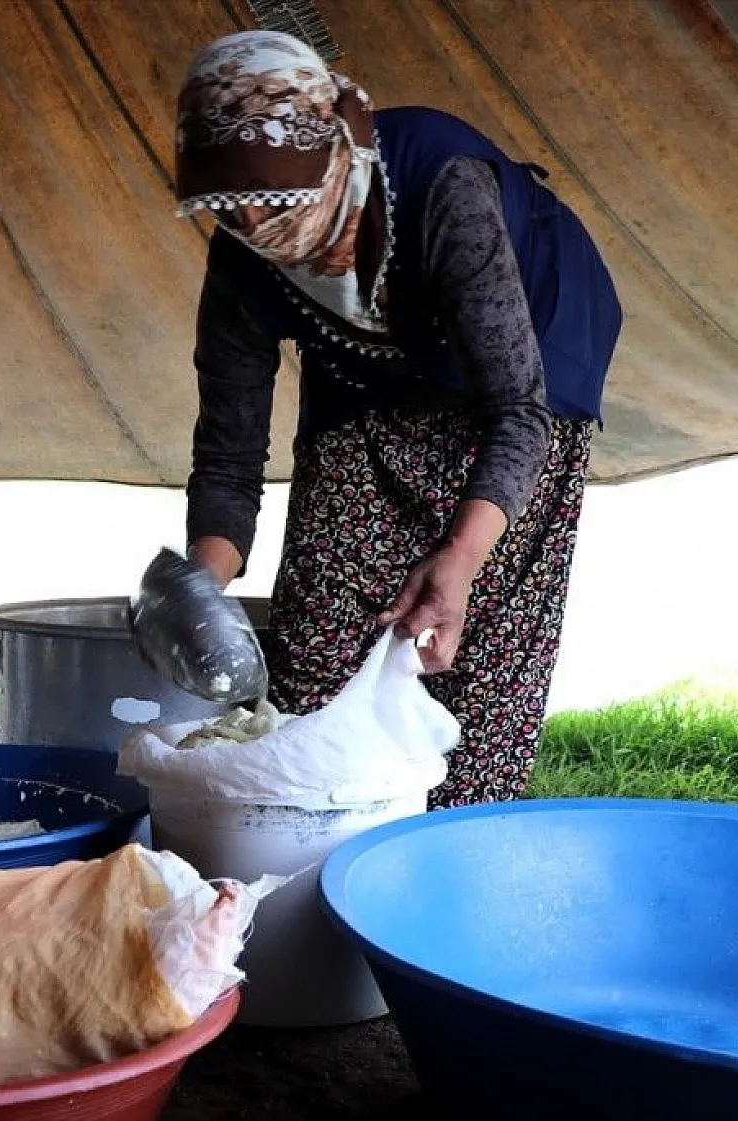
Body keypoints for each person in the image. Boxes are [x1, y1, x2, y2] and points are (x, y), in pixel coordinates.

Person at [174, 30, 623, 809]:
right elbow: (229, 451)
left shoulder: (442, 186)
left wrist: (457, 559)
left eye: (278, 204)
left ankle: (454, 859)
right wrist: (197, 593)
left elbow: (518, 412)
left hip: (529, 354)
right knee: (315, 631)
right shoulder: (243, 250)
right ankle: (313, 848)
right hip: (370, 367)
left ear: (330, 159)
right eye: (235, 212)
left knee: (474, 641)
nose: (257, 225)